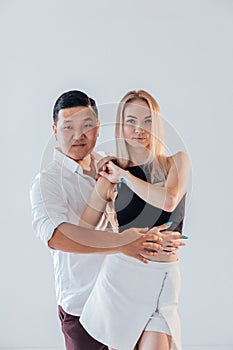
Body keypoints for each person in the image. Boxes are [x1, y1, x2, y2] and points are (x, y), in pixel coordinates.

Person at [30, 90, 166, 350]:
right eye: (68, 126)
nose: (78, 135)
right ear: (55, 130)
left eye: (87, 126)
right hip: (82, 308)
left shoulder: (111, 168)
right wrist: (121, 243)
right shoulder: (46, 182)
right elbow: (57, 237)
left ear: (98, 129)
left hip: (124, 299)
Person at [79, 89, 190, 350]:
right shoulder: (109, 177)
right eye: (131, 121)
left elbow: (169, 200)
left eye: (148, 121)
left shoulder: (176, 163)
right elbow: (83, 230)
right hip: (122, 280)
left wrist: (125, 175)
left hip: (163, 276)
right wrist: (120, 240)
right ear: (121, 126)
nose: (140, 129)